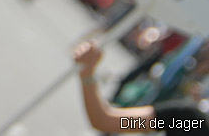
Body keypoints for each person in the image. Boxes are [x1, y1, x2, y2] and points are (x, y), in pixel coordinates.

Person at [73, 40, 208, 135]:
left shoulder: (191, 123)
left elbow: (105, 121)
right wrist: (87, 74)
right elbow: (105, 121)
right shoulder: (190, 123)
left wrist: (87, 75)